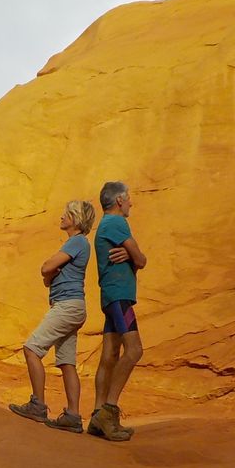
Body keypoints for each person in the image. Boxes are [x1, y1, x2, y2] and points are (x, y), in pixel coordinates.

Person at [9, 200, 97, 432]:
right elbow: (49, 274)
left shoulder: (76, 242)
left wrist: (49, 270)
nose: (61, 217)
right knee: (67, 362)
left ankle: (37, 405)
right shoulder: (77, 243)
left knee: (31, 349)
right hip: (73, 306)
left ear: (75, 219)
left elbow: (46, 268)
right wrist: (49, 273)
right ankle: (73, 416)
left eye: (66, 214)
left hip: (66, 306)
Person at [89, 181, 146, 441]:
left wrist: (128, 254)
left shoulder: (104, 225)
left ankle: (97, 414)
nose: (131, 203)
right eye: (129, 198)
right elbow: (142, 259)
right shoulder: (116, 223)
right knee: (134, 350)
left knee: (110, 353)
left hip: (110, 295)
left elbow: (133, 257)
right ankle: (109, 411)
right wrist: (132, 254)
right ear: (120, 199)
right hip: (120, 295)